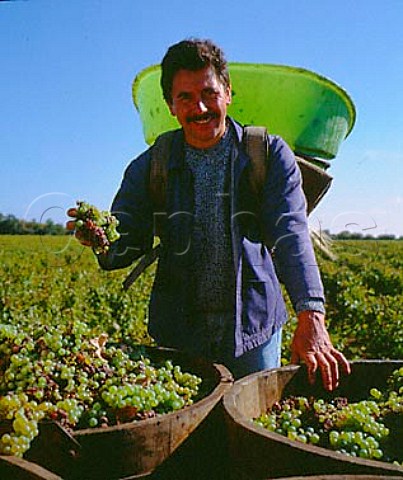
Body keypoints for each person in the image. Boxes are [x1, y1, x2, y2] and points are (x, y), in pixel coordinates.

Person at [67, 38, 350, 390]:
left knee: (250, 427)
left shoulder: (267, 154)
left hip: (253, 330)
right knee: (188, 431)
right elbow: (128, 241)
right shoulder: (152, 165)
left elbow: (290, 232)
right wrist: (101, 238)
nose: (199, 107)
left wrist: (311, 314)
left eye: (209, 92)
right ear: (170, 105)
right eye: (184, 97)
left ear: (228, 92)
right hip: (181, 332)